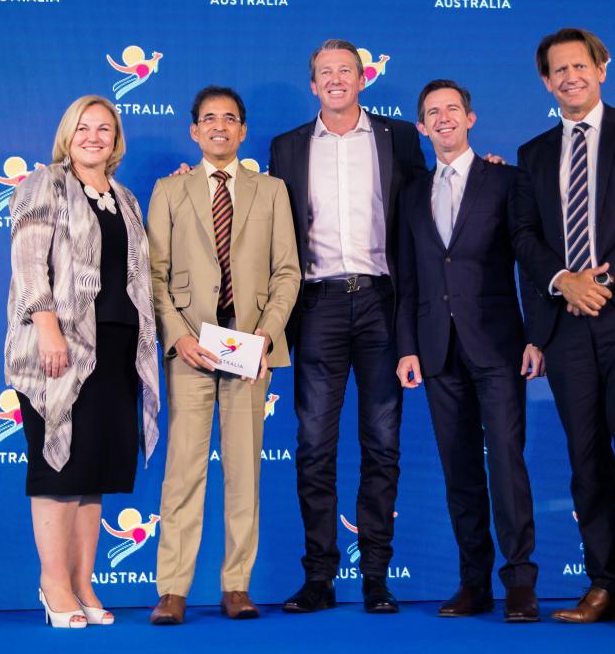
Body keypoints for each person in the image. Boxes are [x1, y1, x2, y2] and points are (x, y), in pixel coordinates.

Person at [518, 28, 615, 628]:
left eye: (579, 66)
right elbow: (525, 238)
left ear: (601, 69)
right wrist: (565, 281)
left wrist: (605, 283)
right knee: (585, 460)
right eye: (557, 70)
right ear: (545, 82)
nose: (569, 77)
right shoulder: (533, 154)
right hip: (567, 325)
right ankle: (603, 583)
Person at [269, 39, 428, 614]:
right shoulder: (285, 147)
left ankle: (377, 578)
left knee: (382, 444)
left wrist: (478, 168)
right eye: (324, 73)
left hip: (384, 305)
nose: (336, 80)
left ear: (364, 79)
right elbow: (266, 223)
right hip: (318, 307)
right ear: (313, 85)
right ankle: (318, 578)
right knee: (313, 446)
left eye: (346, 71)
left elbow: (430, 208)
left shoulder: (399, 139)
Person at [395, 80, 552, 622]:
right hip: (437, 352)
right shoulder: (412, 192)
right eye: (432, 113)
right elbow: (410, 279)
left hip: (498, 347)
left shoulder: (506, 180)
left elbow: (530, 264)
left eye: (452, 110)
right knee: (459, 472)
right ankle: (473, 583)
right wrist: (407, 348)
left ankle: (521, 584)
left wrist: (537, 334)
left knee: (507, 466)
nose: (443, 119)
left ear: (471, 117)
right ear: (420, 127)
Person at [4, 95, 161, 629]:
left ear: (116, 140)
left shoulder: (126, 197)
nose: (94, 137)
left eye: (105, 129)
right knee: (60, 467)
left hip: (117, 349)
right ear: (67, 134)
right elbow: (29, 265)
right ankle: (53, 585)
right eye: (83, 128)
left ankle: (83, 580)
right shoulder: (43, 184)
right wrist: (47, 328)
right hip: (62, 347)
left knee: (94, 471)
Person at [147, 86, 301, 624]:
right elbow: (154, 276)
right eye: (208, 118)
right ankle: (172, 588)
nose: (219, 126)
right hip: (189, 347)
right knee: (183, 471)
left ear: (243, 131)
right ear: (194, 130)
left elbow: (287, 272)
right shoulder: (169, 192)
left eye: (229, 119)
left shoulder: (272, 191)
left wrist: (263, 336)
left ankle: (236, 584)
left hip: (248, 347)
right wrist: (178, 335)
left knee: (244, 471)